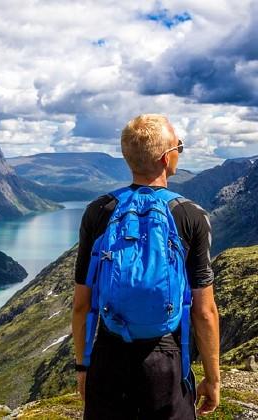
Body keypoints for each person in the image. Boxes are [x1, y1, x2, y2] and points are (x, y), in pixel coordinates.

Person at [71, 114, 220, 419]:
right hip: (166, 359)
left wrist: (84, 367)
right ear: (167, 158)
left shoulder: (99, 211)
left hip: (109, 355)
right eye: (179, 145)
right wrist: (213, 378)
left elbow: (81, 305)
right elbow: (204, 311)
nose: (179, 150)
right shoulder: (190, 215)